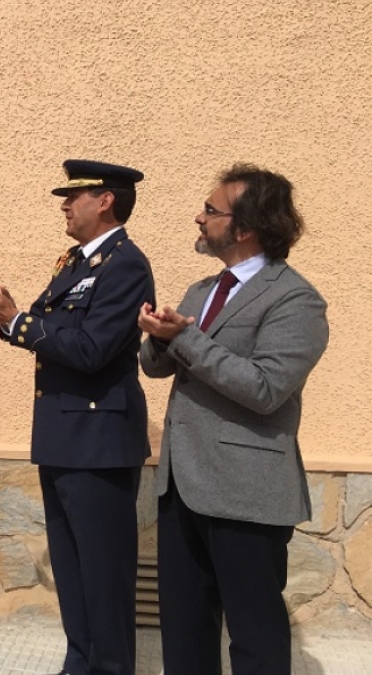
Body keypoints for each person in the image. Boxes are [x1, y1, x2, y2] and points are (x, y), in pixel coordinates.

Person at [0, 160, 154, 675]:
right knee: (72, 569)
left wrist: (17, 321)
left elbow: (91, 350)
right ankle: (79, 662)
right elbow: (52, 331)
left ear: (105, 201)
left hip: (99, 441)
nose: (65, 205)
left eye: (75, 196)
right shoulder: (74, 262)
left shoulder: (125, 265)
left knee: (104, 574)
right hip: (64, 433)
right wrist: (10, 315)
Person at [138, 164, 329, 675]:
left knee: (255, 636)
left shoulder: (296, 299)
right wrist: (158, 337)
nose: (199, 218)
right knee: (184, 629)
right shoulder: (202, 289)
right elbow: (158, 368)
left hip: (248, 492)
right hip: (181, 486)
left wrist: (184, 337)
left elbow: (265, 389)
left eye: (211, 210)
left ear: (245, 227)